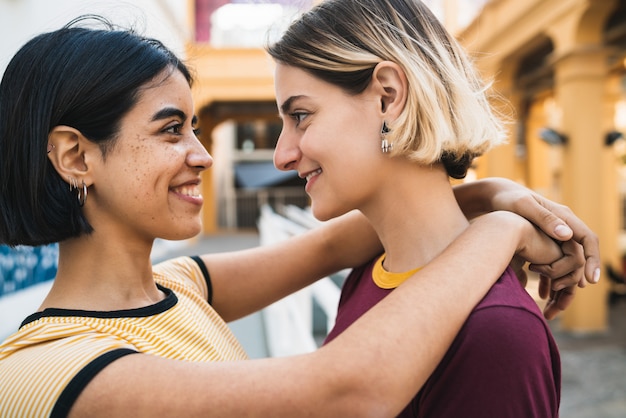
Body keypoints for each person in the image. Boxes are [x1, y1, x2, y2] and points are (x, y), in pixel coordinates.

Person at [0, 16, 598, 418]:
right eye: (171, 130)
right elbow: (350, 388)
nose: (203, 156)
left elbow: (335, 244)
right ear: (77, 156)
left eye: (196, 128)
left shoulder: (176, 293)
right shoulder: (46, 371)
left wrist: (489, 194)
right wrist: (503, 228)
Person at [267, 0, 596, 416]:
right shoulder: (371, 272)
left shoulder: (496, 332)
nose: (282, 156)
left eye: (301, 115)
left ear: (388, 97)